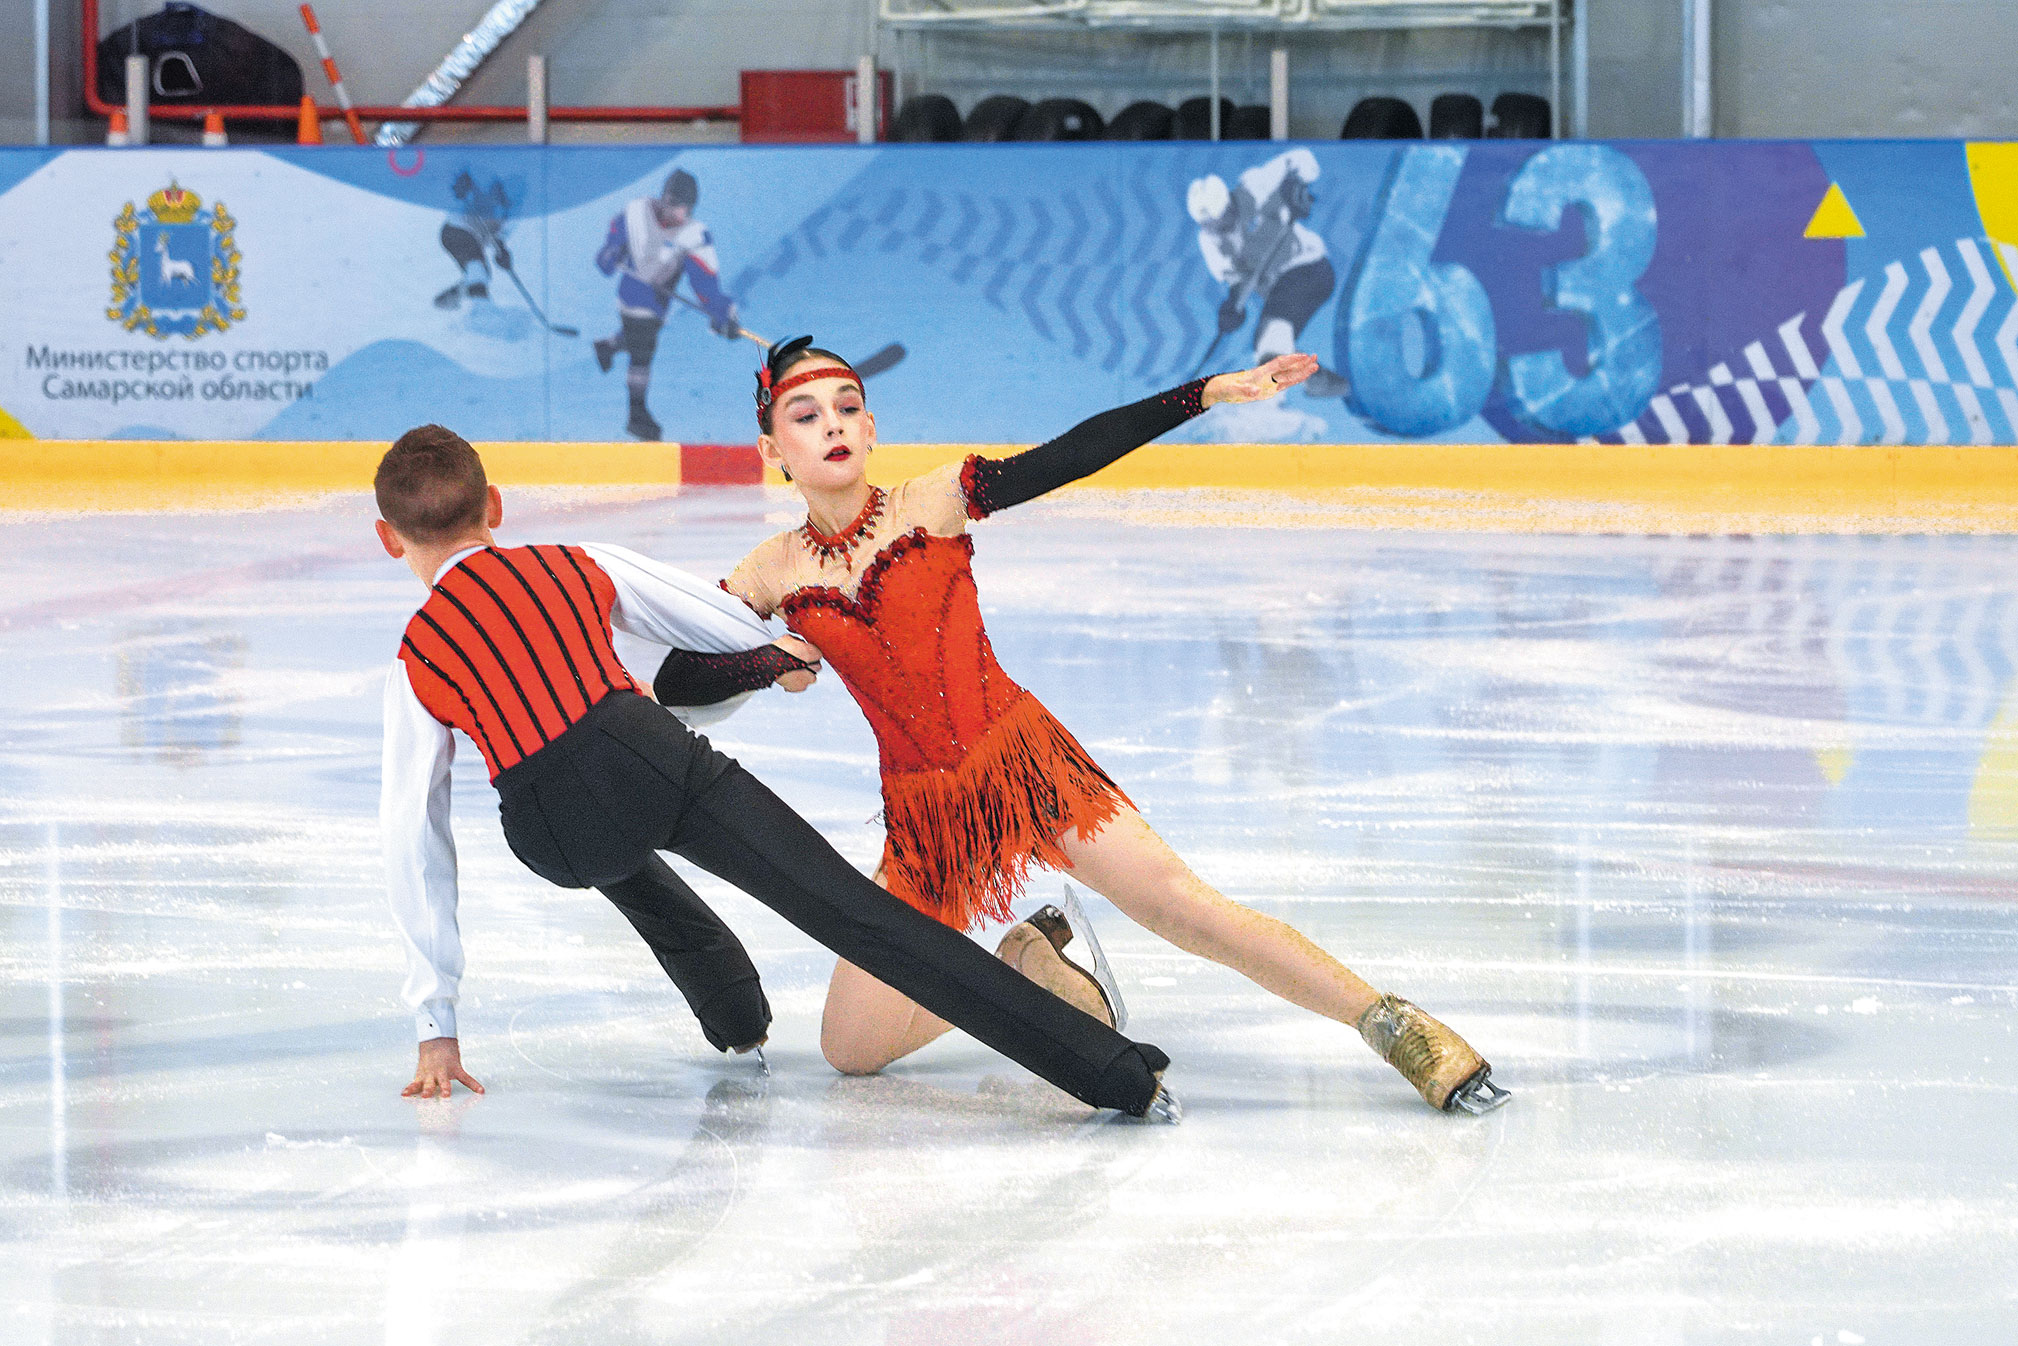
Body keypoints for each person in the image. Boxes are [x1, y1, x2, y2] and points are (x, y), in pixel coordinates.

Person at [653, 339, 1509, 1114]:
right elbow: (677, 679)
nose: (833, 425)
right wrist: (769, 663)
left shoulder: (933, 501)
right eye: (806, 416)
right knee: (852, 1048)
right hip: (926, 820)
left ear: (872, 428)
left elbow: (1073, 453)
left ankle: (1392, 1026)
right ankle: (1024, 966)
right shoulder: (773, 569)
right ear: (773, 451)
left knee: (1181, 907)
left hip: (1023, 762)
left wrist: (1204, 393)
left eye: (848, 408)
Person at [373, 423, 1176, 1119]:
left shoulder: (415, 657)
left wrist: (436, 1026)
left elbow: (413, 838)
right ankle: (1114, 1074)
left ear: (389, 537)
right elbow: (720, 622)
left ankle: (735, 1017)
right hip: (647, 759)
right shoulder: (572, 563)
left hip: (552, 833)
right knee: (860, 918)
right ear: (496, 506)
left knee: (619, 860)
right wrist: (781, 653)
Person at [592, 168, 741, 442]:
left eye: (684, 207)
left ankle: (607, 346)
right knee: (643, 349)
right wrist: (610, 253)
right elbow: (610, 249)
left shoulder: (694, 235)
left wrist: (720, 313)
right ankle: (637, 415)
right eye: (672, 203)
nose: (676, 213)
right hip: (632, 296)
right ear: (663, 198)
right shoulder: (636, 212)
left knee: (638, 338)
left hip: (659, 304)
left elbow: (705, 282)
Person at [1187, 149, 1349, 398]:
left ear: (1230, 203)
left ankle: (1299, 381)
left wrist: (1296, 187)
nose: (1221, 228)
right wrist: (1233, 307)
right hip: (1279, 289)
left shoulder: (1255, 186)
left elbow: (1303, 159)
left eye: (1225, 218)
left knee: (1273, 330)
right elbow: (1237, 281)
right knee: (1265, 347)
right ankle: (1325, 382)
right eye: (1212, 226)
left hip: (1309, 268)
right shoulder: (1210, 241)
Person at [435, 170, 513, 311]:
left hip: (470, 238)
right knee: (478, 270)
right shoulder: (484, 185)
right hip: (457, 230)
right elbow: (457, 188)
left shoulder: (510, 212)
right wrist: (461, 189)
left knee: (482, 274)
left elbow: (499, 237)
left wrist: (502, 251)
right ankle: (482, 310)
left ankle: (461, 294)